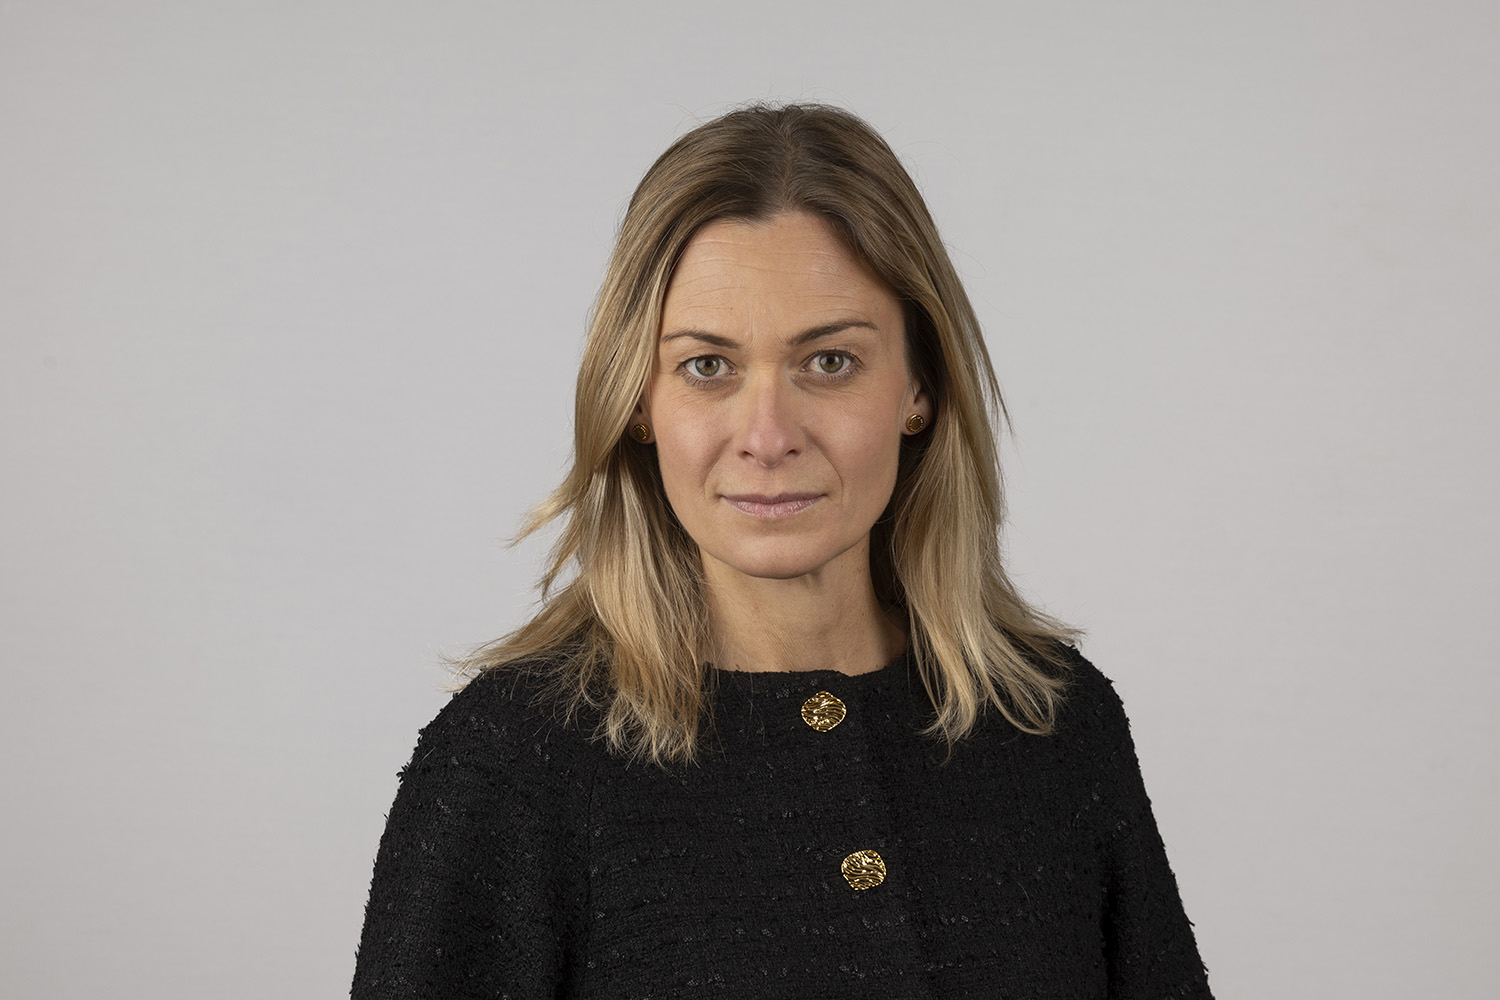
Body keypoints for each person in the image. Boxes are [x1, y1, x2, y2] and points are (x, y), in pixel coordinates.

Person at [351, 103, 1212, 999]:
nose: (767, 437)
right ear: (637, 402)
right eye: (707, 366)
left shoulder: (1054, 724)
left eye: (829, 361)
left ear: (920, 387)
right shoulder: (511, 765)